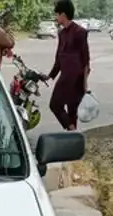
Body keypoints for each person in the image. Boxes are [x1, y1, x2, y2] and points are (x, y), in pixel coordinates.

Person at [43, 0, 90, 131]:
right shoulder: (61, 33)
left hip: (76, 77)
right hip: (65, 75)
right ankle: (72, 133)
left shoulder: (80, 32)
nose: (56, 18)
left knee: (58, 106)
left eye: (57, 14)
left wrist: (85, 83)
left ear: (63, 14)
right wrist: (50, 75)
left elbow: (85, 59)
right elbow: (59, 58)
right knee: (61, 107)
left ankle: (71, 131)